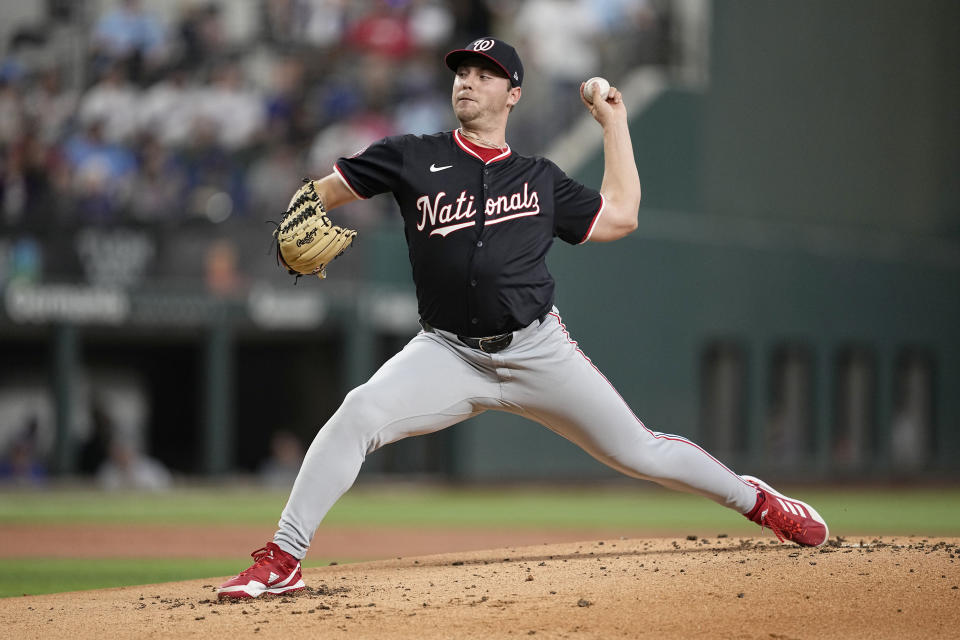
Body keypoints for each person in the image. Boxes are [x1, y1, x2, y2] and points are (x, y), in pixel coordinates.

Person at [218, 37, 829, 600]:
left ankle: (760, 503)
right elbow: (323, 193)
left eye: (486, 74)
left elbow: (621, 217)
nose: (468, 81)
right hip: (448, 353)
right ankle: (284, 557)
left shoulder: (540, 179)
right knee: (358, 412)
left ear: (512, 95)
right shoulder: (410, 156)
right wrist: (302, 211)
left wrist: (615, 124)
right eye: (462, 71)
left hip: (538, 350)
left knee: (640, 451)